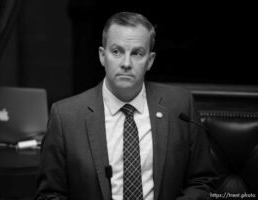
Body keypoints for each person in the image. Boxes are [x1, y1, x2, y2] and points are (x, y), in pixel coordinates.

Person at [35, 11, 217, 200]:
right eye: (117, 51)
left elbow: (202, 182)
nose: (126, 63)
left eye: (137, 53)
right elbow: (50, 195)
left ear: (150, 61)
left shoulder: (180, 106)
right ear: (102, 56)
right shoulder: (65, 117)